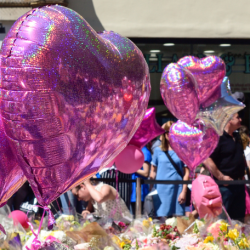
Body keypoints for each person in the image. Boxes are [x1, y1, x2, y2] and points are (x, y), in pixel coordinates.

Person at [203, 113, 246, 222]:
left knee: (238, 220)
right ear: (229, 120)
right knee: (222, 221)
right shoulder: (218, 138)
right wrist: (221, 177)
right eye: (238, 117)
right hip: (224, 187)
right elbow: (206, 159)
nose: (241, 119)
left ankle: (237, 239)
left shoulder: (237, 137)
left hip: (239, 185)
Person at [150, 121, 190, 218]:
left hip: (178, 189)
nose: (170, 135)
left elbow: (186, 173)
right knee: (161, 219)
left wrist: (184, 192)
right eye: (168, 132)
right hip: (161, 189)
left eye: (173, 132)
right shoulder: (157, 150)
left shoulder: (182, 150)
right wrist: (150, 189)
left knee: (178, 219)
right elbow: (153, 171)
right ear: (164, 134)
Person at [130, 144, 151, 215]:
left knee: (138, 218)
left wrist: (130, 167)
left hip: (139, 190)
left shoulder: (144, 151)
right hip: (132, 190)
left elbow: (146, 173)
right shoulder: (135, 150)